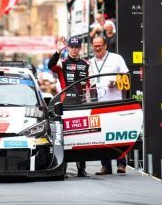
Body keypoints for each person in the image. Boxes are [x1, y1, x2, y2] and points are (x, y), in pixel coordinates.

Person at [48, 36, 89, 177]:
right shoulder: (62, 64)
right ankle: (63, 169)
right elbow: (50, 66)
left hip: (82, 104)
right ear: (69, 47)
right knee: (65, 137)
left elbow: (91, 85)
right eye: (72, 47)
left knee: (82, 137)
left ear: (80, 48)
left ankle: (81, 169)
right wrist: (58, 51)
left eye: (77, 47)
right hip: (66, 105)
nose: (74, 50)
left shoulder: (87, 64)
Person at [89, 36, 129, 174]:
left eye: (100, 45)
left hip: (116, 102)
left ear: (105, 45)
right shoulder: (90, 62)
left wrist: (116, 83)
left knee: (119, 134)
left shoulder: (116, 58)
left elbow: (127, 77)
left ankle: (121, 164)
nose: (97, 48)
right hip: (99, 104)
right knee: (102, 136)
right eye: (95, 46)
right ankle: (106, 166)